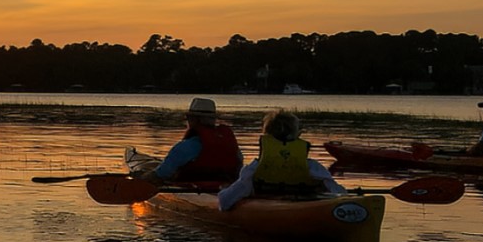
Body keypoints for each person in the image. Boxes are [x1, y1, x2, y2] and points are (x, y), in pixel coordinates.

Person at [217, 109, 345, 210]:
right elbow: (340, 195)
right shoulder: (313, 167)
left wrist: (224, 191)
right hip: (301, 207)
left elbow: (224, 202)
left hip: (272, 209)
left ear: (268, 135)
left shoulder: (254, 169)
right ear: (297, 136)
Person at [148, 97, 243, 185]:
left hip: (193, 191)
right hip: (226, 189)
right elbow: (240, 168)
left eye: (189, 118)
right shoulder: (231, 145)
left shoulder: (186, 146)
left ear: (195, 120)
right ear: (213, 120)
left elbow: (162, 174)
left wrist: (143, 177)